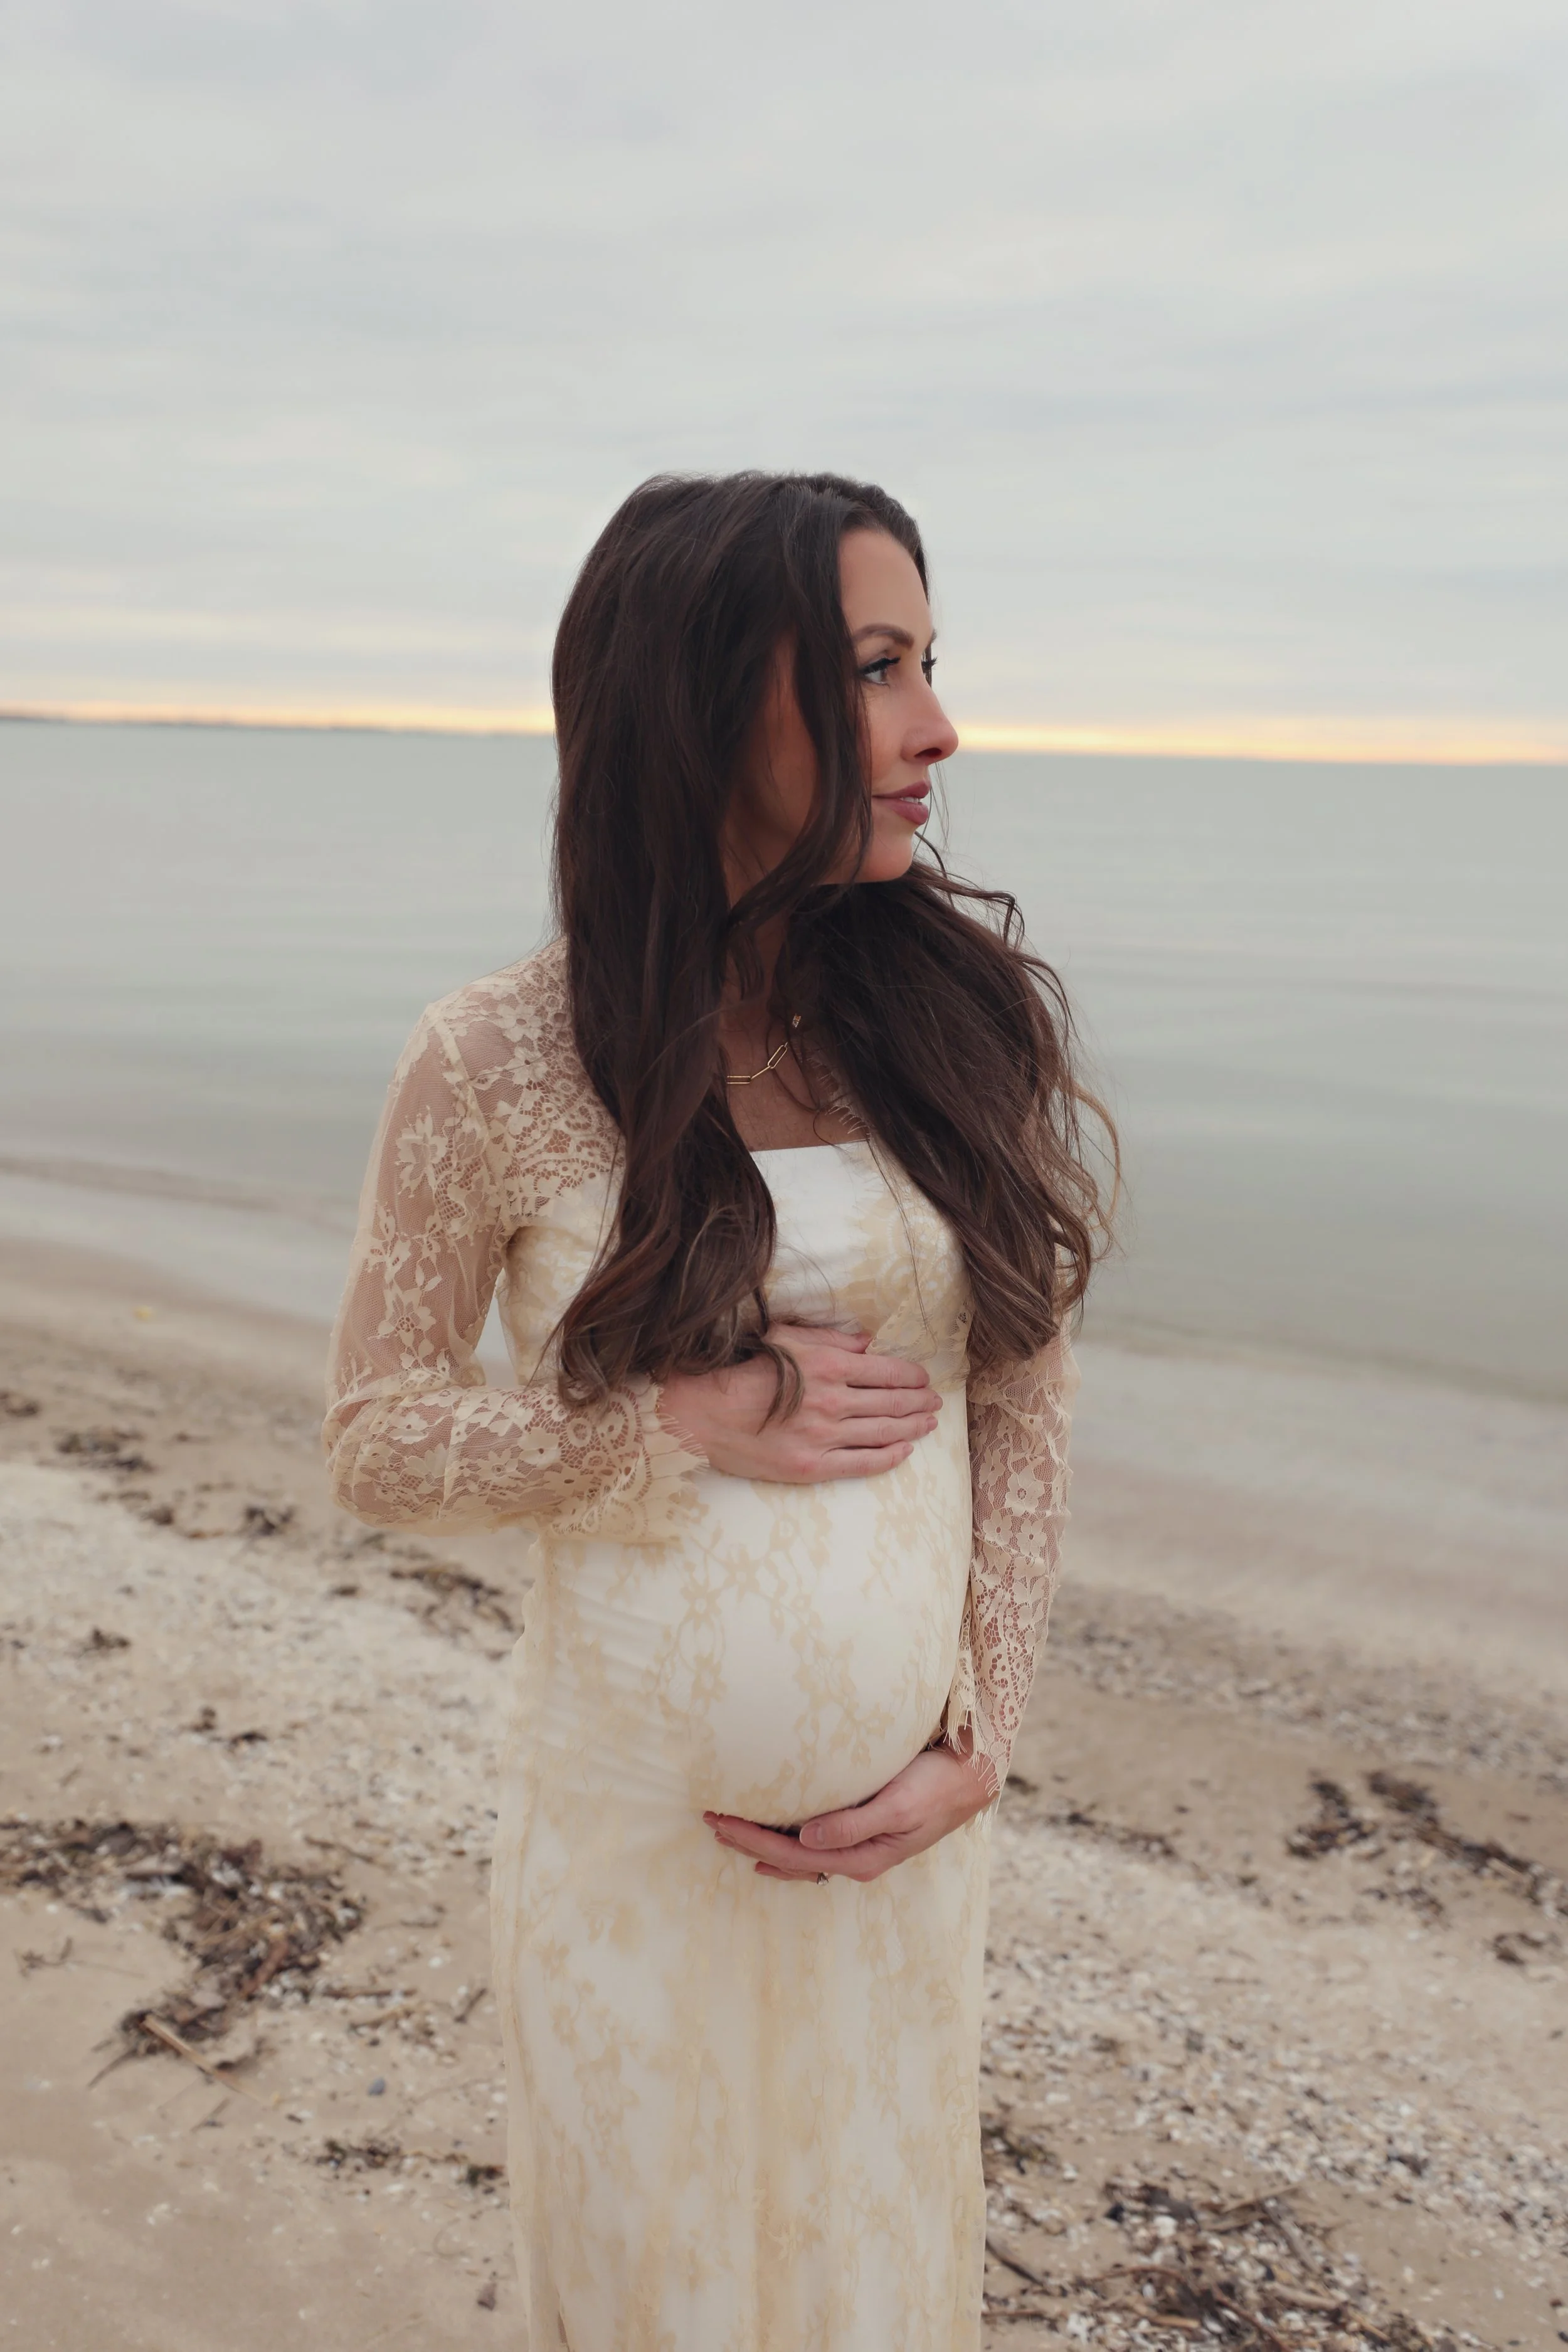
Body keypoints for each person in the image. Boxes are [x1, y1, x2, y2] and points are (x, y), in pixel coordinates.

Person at [324, 470, 1110, 2351]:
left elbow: (1023, 1397)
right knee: (660, 2288)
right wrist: (666, 1425)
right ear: (696, 703)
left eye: (927, 661)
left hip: (897, 1856)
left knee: (870, 2272)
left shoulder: (943, 1020)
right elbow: (373, 1439)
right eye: (871, 670)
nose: (935, 727)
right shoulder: (502, 1058)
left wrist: (979, 1728)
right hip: (630, 1848)